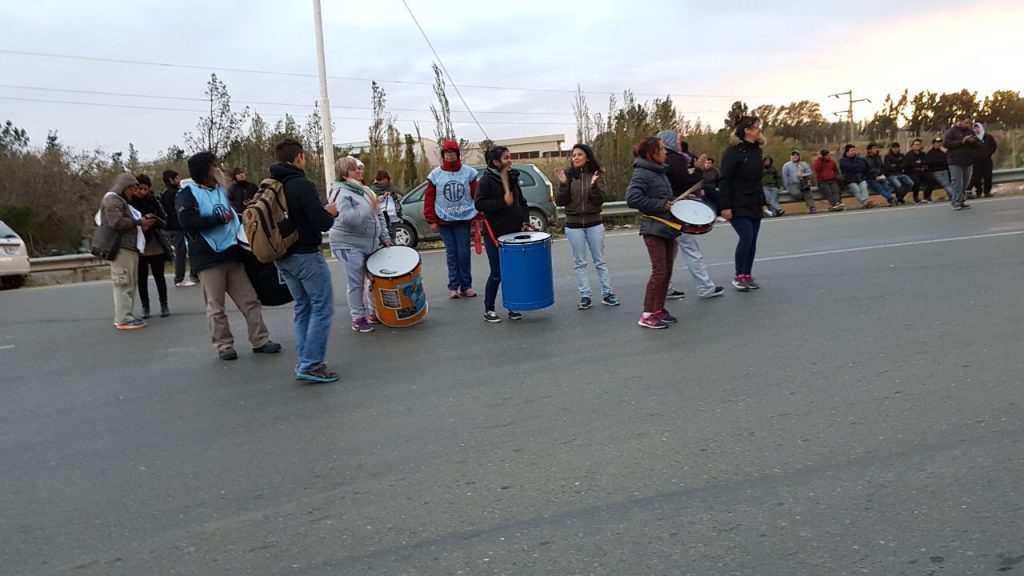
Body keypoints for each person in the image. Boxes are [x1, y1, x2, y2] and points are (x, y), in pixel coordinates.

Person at [176, 152, 282, 361]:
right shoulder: (187, 194)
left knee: (250, 300)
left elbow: (233, 216)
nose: (219, 169)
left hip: (233, 254)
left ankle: (260, 339)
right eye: (214, 165)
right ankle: (224, 345)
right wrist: (216, 219)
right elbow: (186, 221)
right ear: (204, 169)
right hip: (208, 258)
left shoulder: (222, 191)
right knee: (216, 306)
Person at [270, 139, 340, 383]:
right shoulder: (301, 185)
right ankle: (311, 364)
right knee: (322, 307)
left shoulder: (272, 185)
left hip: (282, 256)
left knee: (303, 307)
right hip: (306, 255)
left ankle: (305, 361)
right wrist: (330, 212)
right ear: (298, 157)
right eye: (305, 156)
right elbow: (321, 223)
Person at [656, 129, 724, 301]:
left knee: (670, 251)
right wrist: (699, 170)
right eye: (678, 139)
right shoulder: (675, 158)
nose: (681, 143)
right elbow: (687, 182)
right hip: (678, 210)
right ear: (670, 141)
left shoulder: (658, 160)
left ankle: (666, 288)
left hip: (665, 209)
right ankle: (705, 287)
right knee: (691, 249)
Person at [329, 156, 393, 333]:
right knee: (356, 282)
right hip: (348, 244)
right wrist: (370, 206)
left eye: (360, 168)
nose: (359, 171)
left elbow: (378, 215)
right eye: (353, 169)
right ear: (343, 173)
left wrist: (385, 237)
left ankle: (374, 313)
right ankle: (358, 318)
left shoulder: (364, 190)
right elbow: (348, 218)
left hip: (371, 243)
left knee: (374, 279)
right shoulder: (339, 191)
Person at [555, 143, 619, 310]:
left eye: (579, 155)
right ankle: (585, 295)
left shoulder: (597, 174)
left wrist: (594, 185)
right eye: (574, 155)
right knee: (580, 262)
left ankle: (608, 293)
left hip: (594, 223)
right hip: (573, 225)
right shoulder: (568, 175)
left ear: (587, 157)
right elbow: (561, 202)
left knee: (600, 261)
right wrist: (562, 184)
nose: (575, 157)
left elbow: (599, 201)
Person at [625, 136, 678, 328]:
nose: (665, 151)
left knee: (667, 271)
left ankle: (658, 310)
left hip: (668, 227)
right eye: (662, 148)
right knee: (659, 272)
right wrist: (662, 205)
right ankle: (646, 314)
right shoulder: (642, 173)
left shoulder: (659, 171)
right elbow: (632, 199)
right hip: (653, 228)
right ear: (652, 152)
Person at [474, 146, 529, 323]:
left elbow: (522, 202)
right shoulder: (486, 181)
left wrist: (525, 221)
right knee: (497, 272)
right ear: (496, 162)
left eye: (510, 157)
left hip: (514, 232)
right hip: (494, 234)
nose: (509, 160)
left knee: (512, 272)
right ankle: (488, 309)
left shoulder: (512, 178)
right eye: (506, 158)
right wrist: (501, 202)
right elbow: (479, 204)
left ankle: (512, 305)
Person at [719, 116, 768, 292]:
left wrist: (762, 201)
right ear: (747, 130)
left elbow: (757, 180)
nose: (759, 130)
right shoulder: (732, 152)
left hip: (754, 200)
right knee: (746, 236)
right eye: (757, 127)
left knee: (753, 239)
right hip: (737, 201)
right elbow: (724, 180)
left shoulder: (757, 151)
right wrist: (725, 206)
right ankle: (739, 275)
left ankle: (747, 274)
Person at [424, 140, 479, 299]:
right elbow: (429, 199)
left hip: (463, 220)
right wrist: (431, 220)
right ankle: (453, 286)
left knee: (463, 253)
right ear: (443, 155)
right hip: (444, 221)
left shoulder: (469, 173)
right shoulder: (435, 175)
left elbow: (476, 195)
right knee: (452, 254)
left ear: (457, 154)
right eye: (447, 153)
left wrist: (479, 215)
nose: (449, 155)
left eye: (452, 153)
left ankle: (466, 286)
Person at [98, 173, 152, 330]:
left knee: (130, 282)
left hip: (129, 246)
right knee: (123, 281)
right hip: (120, 247)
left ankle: (127, 314)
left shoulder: (120, 201)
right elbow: (116, 222)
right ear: (125, 187)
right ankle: (123, 318)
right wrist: (138, 222)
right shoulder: (112, 200)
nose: (134, 193)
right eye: (133, 189)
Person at [129, 174, 173, 319]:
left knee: (159, 277)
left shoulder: (154, 201)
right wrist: (140, 223)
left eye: (145, 189)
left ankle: (164, 305)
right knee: (141, 279)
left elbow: (165, 220)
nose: (142, 192)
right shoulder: (129, 203)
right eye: (139, 188)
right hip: (139, 246)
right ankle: (145, 307)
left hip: (156, 245)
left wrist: (153, 220)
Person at [160, 170, 198, 287]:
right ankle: (179, 278)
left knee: (192, 248)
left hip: (176, 226)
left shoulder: (167, 193)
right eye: (177, 178)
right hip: (176, 227)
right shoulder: (173, 194)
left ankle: (194, 274)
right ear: (171, 180)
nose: (178, 180)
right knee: (181, 251)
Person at [942, 114, 980, 210]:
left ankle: (962, 200)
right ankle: (956, 202)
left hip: (967, 160)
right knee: (957, 182)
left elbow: (977, 143)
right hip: (955, 161)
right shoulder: (951, 131)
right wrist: (962, 141)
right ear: (960, 121)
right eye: (966, 122)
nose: (968, 124)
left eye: (969, 123)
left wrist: (973, 141)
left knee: (965, 183)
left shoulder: (970, 131)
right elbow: (946, 143)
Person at [902, 138, 939, 204]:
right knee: (916, 182)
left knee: (932, 180)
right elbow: (910, 164)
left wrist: (919, 162)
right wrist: (919, 163)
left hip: (923, 171)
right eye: (916, 144)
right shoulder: (908, 155)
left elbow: (927, 161)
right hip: (912, 172)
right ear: (912, 146)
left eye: (919, 144)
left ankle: (927, 196)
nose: (917, 146)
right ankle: (915, 198)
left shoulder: (923, 154)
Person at [371, 170, 403, 241]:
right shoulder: (373, 189)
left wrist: (396, 196)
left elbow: (401, 196)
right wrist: (383, 197)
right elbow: (373, 201)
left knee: (393, 235)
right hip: (381, 215)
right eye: (384, 179)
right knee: (383, 234)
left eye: (386, 179)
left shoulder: (391, 187)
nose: (385, 181)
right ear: (380, 179)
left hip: (393, 216)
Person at [839, 144, 874, 209]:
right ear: (847, 152)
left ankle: (865, 203)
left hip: (861, 177)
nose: (853, 152)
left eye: (854, 150)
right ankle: (865, 203)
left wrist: (855, 168)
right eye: (851, 150)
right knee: (856, 189)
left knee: (864, 187)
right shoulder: (843, 161)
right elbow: (848, 168)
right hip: (850, 180)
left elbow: (863, 167)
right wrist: (856, 167)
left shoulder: (859, 159)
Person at [969, 122, 997, 198]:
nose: (976, 129)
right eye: (974, 128)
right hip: (977, 161)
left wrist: (989, 153)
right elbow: (969, 149)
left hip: (987, 160)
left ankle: (987, 192)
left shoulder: (988, 137)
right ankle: (978, 191)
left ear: (980, 128)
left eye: (977, 127)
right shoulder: (972, 139)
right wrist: (974, 156)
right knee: (977, 177)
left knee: (988, 176)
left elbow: (994, 146)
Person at [925, 137, 955, 203]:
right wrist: (941, 161)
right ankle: (955, 196)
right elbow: (931, 162)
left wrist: (945, 152)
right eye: (937, 143)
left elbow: (949, 159)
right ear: (933, 144)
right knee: (945, 184)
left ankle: (952, 196)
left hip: (945, 170)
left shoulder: (944, 151)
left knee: (948, 183)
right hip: (936, 171)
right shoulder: (930, 153)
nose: (939, 144)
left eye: (940, 143)